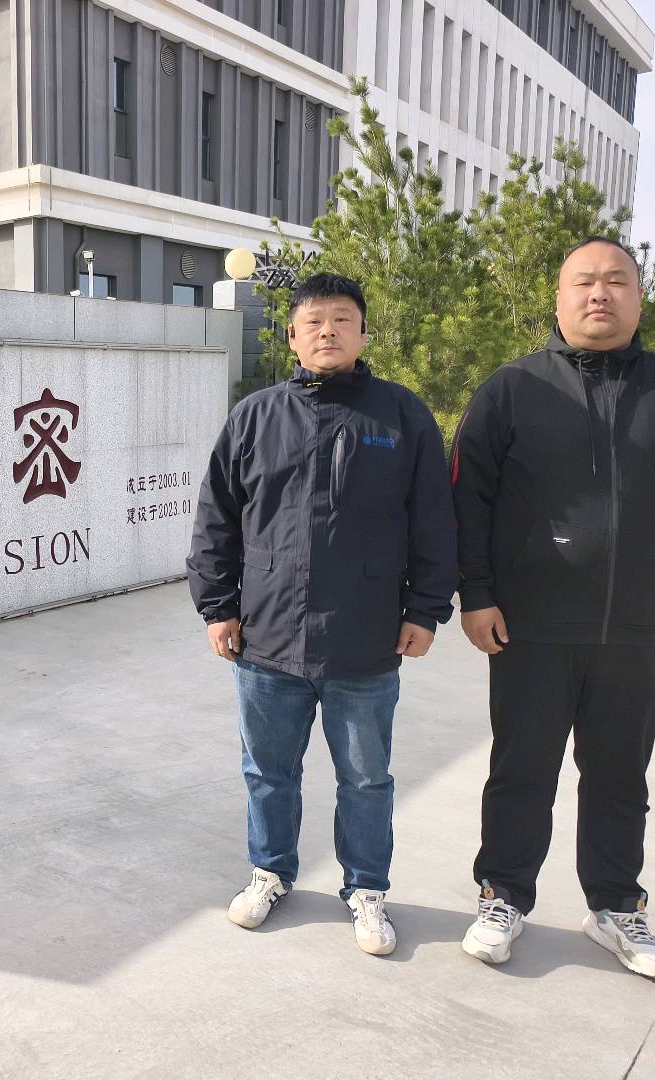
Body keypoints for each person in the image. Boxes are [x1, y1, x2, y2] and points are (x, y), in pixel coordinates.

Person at [451, 236, 655, 980]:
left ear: (639, 297)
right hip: (531, 627)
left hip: (640, 631)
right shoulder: (513, 389)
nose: (599, 293)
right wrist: (475, 594)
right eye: (583, 281)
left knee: (620, 777)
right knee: (521, 771)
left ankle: (615, 906)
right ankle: (503, 895)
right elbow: (469, 500)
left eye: (615, 281)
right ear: (560, 296)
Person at [187, 272, 457, 956]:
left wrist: (425, 609)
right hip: (267, 636)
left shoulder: (401, 416)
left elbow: (434, 520)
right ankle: (270, 872)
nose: (327, 331)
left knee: (365, 777)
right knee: (268, 771)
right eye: (313, 321)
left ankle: (366, 889)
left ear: (364, 333)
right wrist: (218, 606)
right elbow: (216, 518)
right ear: (292, 336)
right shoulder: (256, 417)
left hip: (365, 637)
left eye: (342, 319)